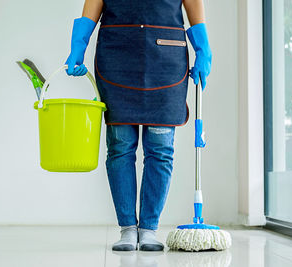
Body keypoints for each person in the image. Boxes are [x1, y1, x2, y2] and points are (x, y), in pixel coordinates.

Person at [65, 0, 211, 251]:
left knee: (161, 149)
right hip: (118, 58)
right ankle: (128, 230)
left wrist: (203, 47)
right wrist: (79, 44)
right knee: (121, 147)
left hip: (165, 60)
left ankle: (149, 229)